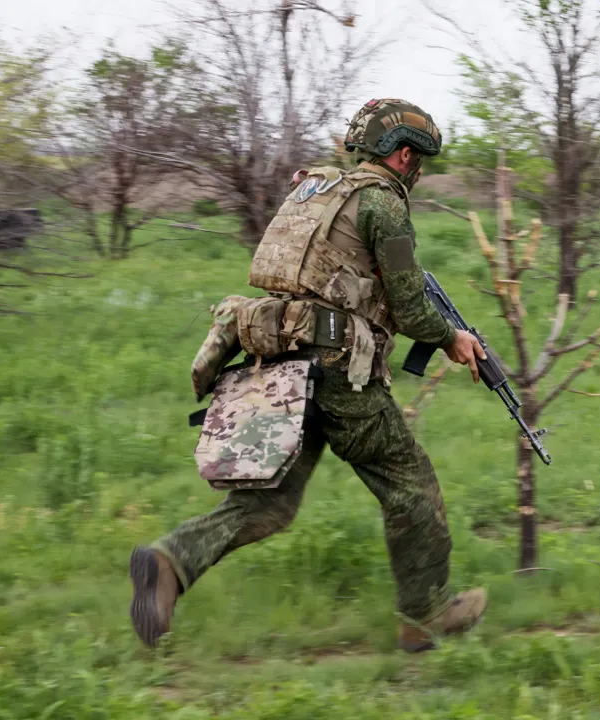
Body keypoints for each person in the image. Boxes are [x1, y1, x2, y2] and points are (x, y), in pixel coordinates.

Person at [128, 98, 488, 654]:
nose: (418, 173)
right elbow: (412, 311)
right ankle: (427, 614)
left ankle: (169, 563)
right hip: (340, 371)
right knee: (411, 487)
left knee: (268, 503)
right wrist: (453, 338)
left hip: (278, 358)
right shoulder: (384, 207)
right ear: (403, 156)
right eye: (419, 161)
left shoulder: (317, 191)